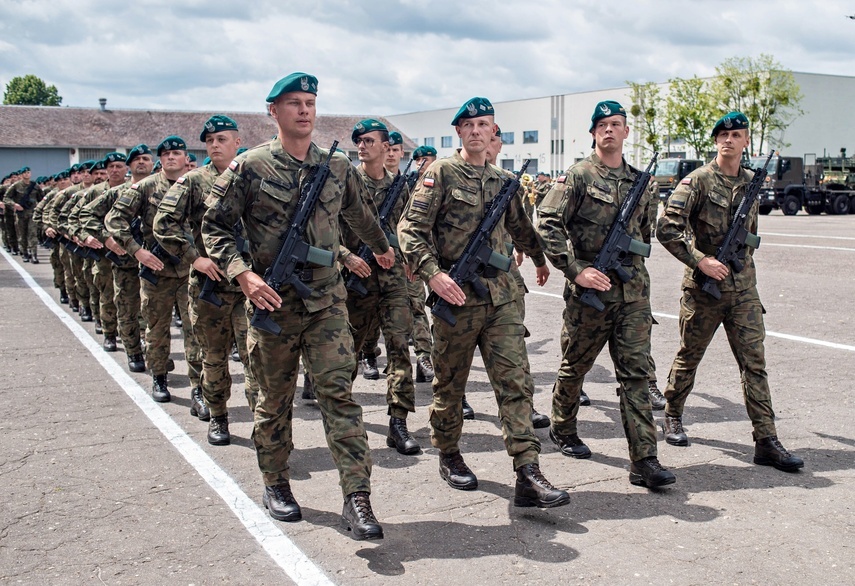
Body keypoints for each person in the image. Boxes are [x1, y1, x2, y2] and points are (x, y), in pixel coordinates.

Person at [201, 72, 394, 540]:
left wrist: (384, 249)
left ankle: (357, 497)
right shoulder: (250, 167)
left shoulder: (337, 167)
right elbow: (215, 228)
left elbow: (359, 215)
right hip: (273, 305)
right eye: (293, 103)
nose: (304, 110)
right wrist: (243, 275)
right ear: (273, 111)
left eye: (310, 102)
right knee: (273, 402)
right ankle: (276, 482)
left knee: (340, 399)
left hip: (328, 303)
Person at [398, 97, 569, 509]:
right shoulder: (439, 173)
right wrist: (432, 274)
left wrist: (542, 258)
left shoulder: (503, 180)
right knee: (450, 384)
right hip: (456, 299)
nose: (477, 131)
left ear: (494, 132)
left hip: (502, 298)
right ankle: (449, 451)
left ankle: (528, 470)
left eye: (484, 125)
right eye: (469, 125)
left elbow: (520, 225)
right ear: (459, 131)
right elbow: (410, 230)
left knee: (516, 381)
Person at [535, 100, 675, 489]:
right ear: (594, 133)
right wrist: (576, 271)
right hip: (590, 295)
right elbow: (547, 223)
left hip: (632, 295)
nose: (610, 130)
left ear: (626, 132)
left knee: (635, 375)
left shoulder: (642, 183)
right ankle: (562, 427)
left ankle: (644, 459)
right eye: (602, 125)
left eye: (617, 124)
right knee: (575, 366)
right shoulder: (578, 176)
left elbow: (644, 234)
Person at [655, 111, 804, 472]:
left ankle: (766, 439)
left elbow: (750, 234)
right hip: (704, 290)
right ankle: (672, 415)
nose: (728, 140)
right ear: (716, 140)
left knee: (754, 363)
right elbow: (667, 228)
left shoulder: (752, 183)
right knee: (689, 356)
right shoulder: (697, 181)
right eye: (723, 134)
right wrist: (699, 261)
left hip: (743, 290)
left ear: (746, 141)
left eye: (736, 135)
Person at [153, 115, 259, 445]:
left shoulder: (254, 177)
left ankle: (263, 427)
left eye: (221, 139)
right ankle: (218, 417)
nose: (214, 145)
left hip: (248, 289)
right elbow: (163, 223)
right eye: (209, 141)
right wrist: (194, 258)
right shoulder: (193, 182)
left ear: (237, 142)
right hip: (210, 289)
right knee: (213, 359)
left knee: (257, 360)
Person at [341, 119, 419, 455]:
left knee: (400, 347)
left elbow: (405, 226)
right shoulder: (345, 181)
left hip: (391, 279)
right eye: (359, 140)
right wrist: (345, 257)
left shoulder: (398, 185)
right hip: (356, 278)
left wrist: (409, 259)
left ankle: (398, 422)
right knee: (349, 354)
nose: (362, 145)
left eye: (369, 140)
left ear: (386, 147)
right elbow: (324, 227)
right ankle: (341, 416)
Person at [105, 136, 203, 403]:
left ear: (186, 158)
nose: (171, 157)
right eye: (166, 154)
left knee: (196, 330)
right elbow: (115, 218)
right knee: (157, 329)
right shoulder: (146, 187)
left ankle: (199, 387)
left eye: (177, 153)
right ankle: (159, 377)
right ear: (160, 160)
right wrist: (136, 250)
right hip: (157, 272)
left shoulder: (197, 184)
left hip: (190, 272)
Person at [485, 125, 550, 429]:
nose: (487, 143)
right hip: (463, 280)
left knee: (514, 343)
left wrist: (534, 255)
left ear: (497, 145)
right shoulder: (451, 175)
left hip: (504, 275)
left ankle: (525, 405)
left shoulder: (508, 183)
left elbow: (521, 225)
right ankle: (456, 402)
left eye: (494, 139)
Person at [80, 145, 153, 372]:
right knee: (126, 308)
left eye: (145, 159)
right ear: (130, 166)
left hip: (158, 263)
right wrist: (106, 237)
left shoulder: (163, 189)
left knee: (152, 312)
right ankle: (132, 351)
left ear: (152, 164)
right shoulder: (114, 193)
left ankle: (152, 352)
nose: (141, 163)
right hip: (125, 262)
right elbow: (85, 214)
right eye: (136, 159)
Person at [5, 167, 43, 263]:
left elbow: (42, 199)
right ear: (21, 175)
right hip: (21, 214)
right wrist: (14, 205)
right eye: (24, 173)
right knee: (22, 235)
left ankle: (34, 254)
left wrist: (39, 208)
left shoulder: (35, 185)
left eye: (28, 172)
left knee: (32, 234)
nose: (27, 174)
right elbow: (6, 198)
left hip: (32, 214)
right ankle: (25, 253)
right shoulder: (16, 186)